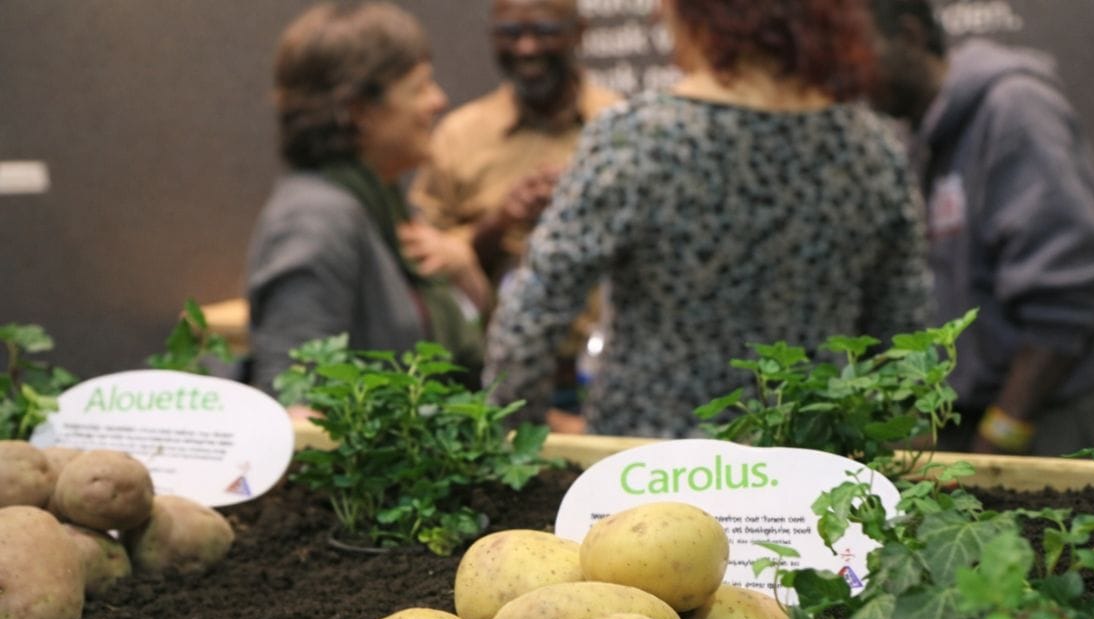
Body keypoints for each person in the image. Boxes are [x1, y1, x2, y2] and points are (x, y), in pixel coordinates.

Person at [483, 0, 932, 439]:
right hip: (809, 465)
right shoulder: (871, 149)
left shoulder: (636, 138)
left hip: (648, 467)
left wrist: (517, 445)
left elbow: (532, 318)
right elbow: (904, 338)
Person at [867, 0, 1094, 455]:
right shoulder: (924, 136)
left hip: (1054, 420)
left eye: (858, 52)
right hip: (989, 416)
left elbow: (1068, 293)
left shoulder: (1014, 109)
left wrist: (1000, 435)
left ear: (909, 36)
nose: (845, 75)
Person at [245, 2, 489, 396]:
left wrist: (466, 274)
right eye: (420, 86)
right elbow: (294, 397)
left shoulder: (379, 203)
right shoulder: (313, 220)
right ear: (359, 110)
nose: (438, 101)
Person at [408, 0, 620, 425]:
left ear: (578, 33)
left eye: (543, 31)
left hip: (602, 377)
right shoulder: (458, 137)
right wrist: (497, 223)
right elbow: (422, 261)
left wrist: (581, 212)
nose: (526, 48)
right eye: (509, 34)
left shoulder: (617, 126)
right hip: (490, 380)